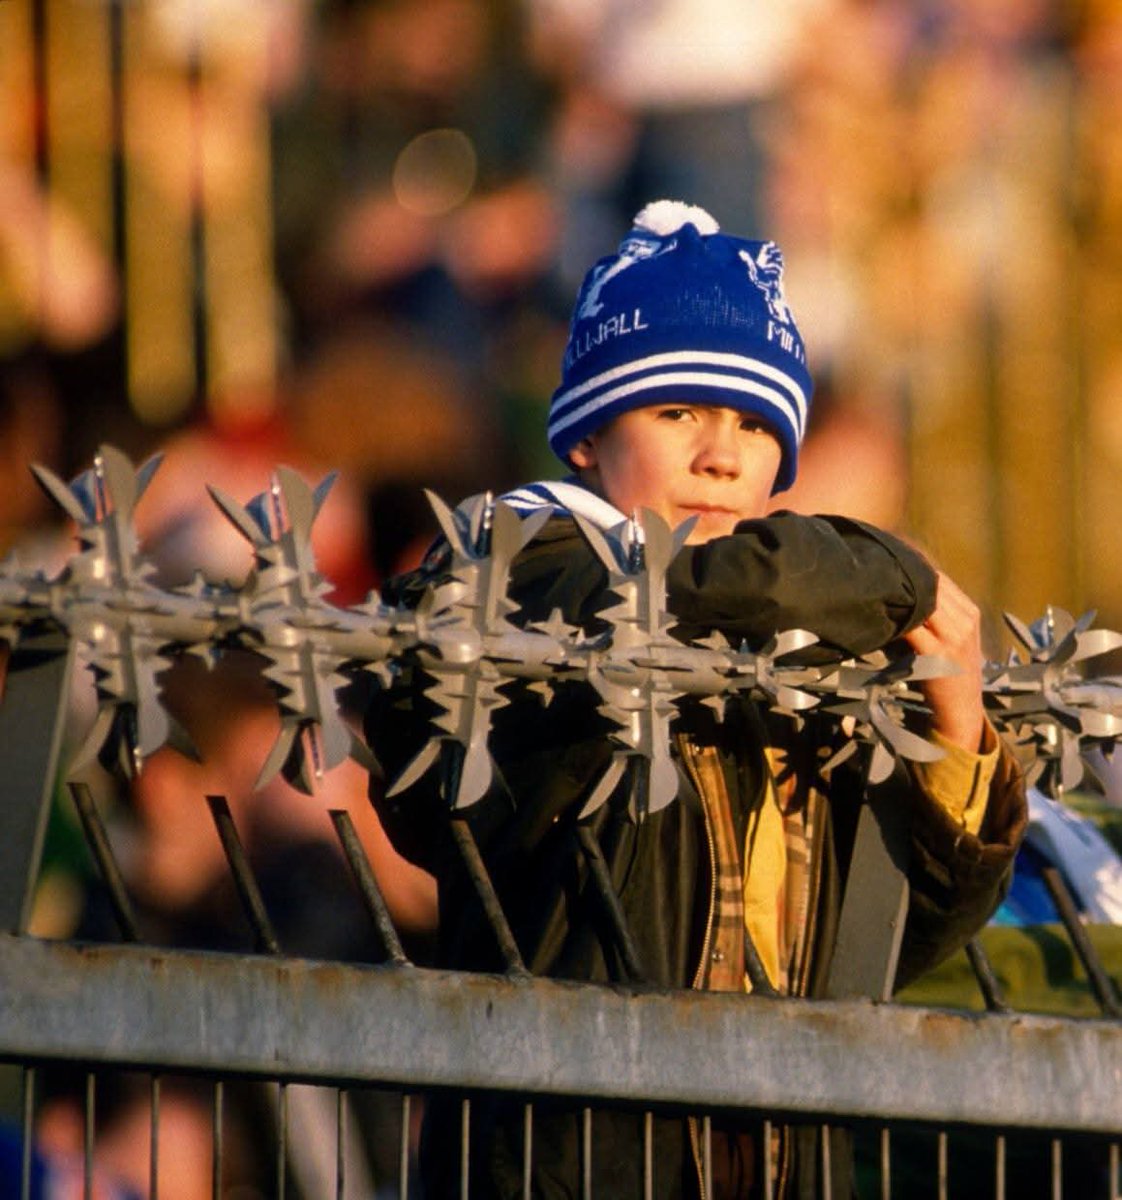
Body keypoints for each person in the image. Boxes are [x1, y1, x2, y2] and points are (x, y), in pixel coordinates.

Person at [365, 200, 1027, 1198]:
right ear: (588, 435)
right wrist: (901, 574)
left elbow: (894, 934)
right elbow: (716, 589)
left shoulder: (787, 662)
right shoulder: (514, 568)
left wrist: (960, 723)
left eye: (759, 425)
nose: (723, 455)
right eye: (678, 412)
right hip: (574, 1164)